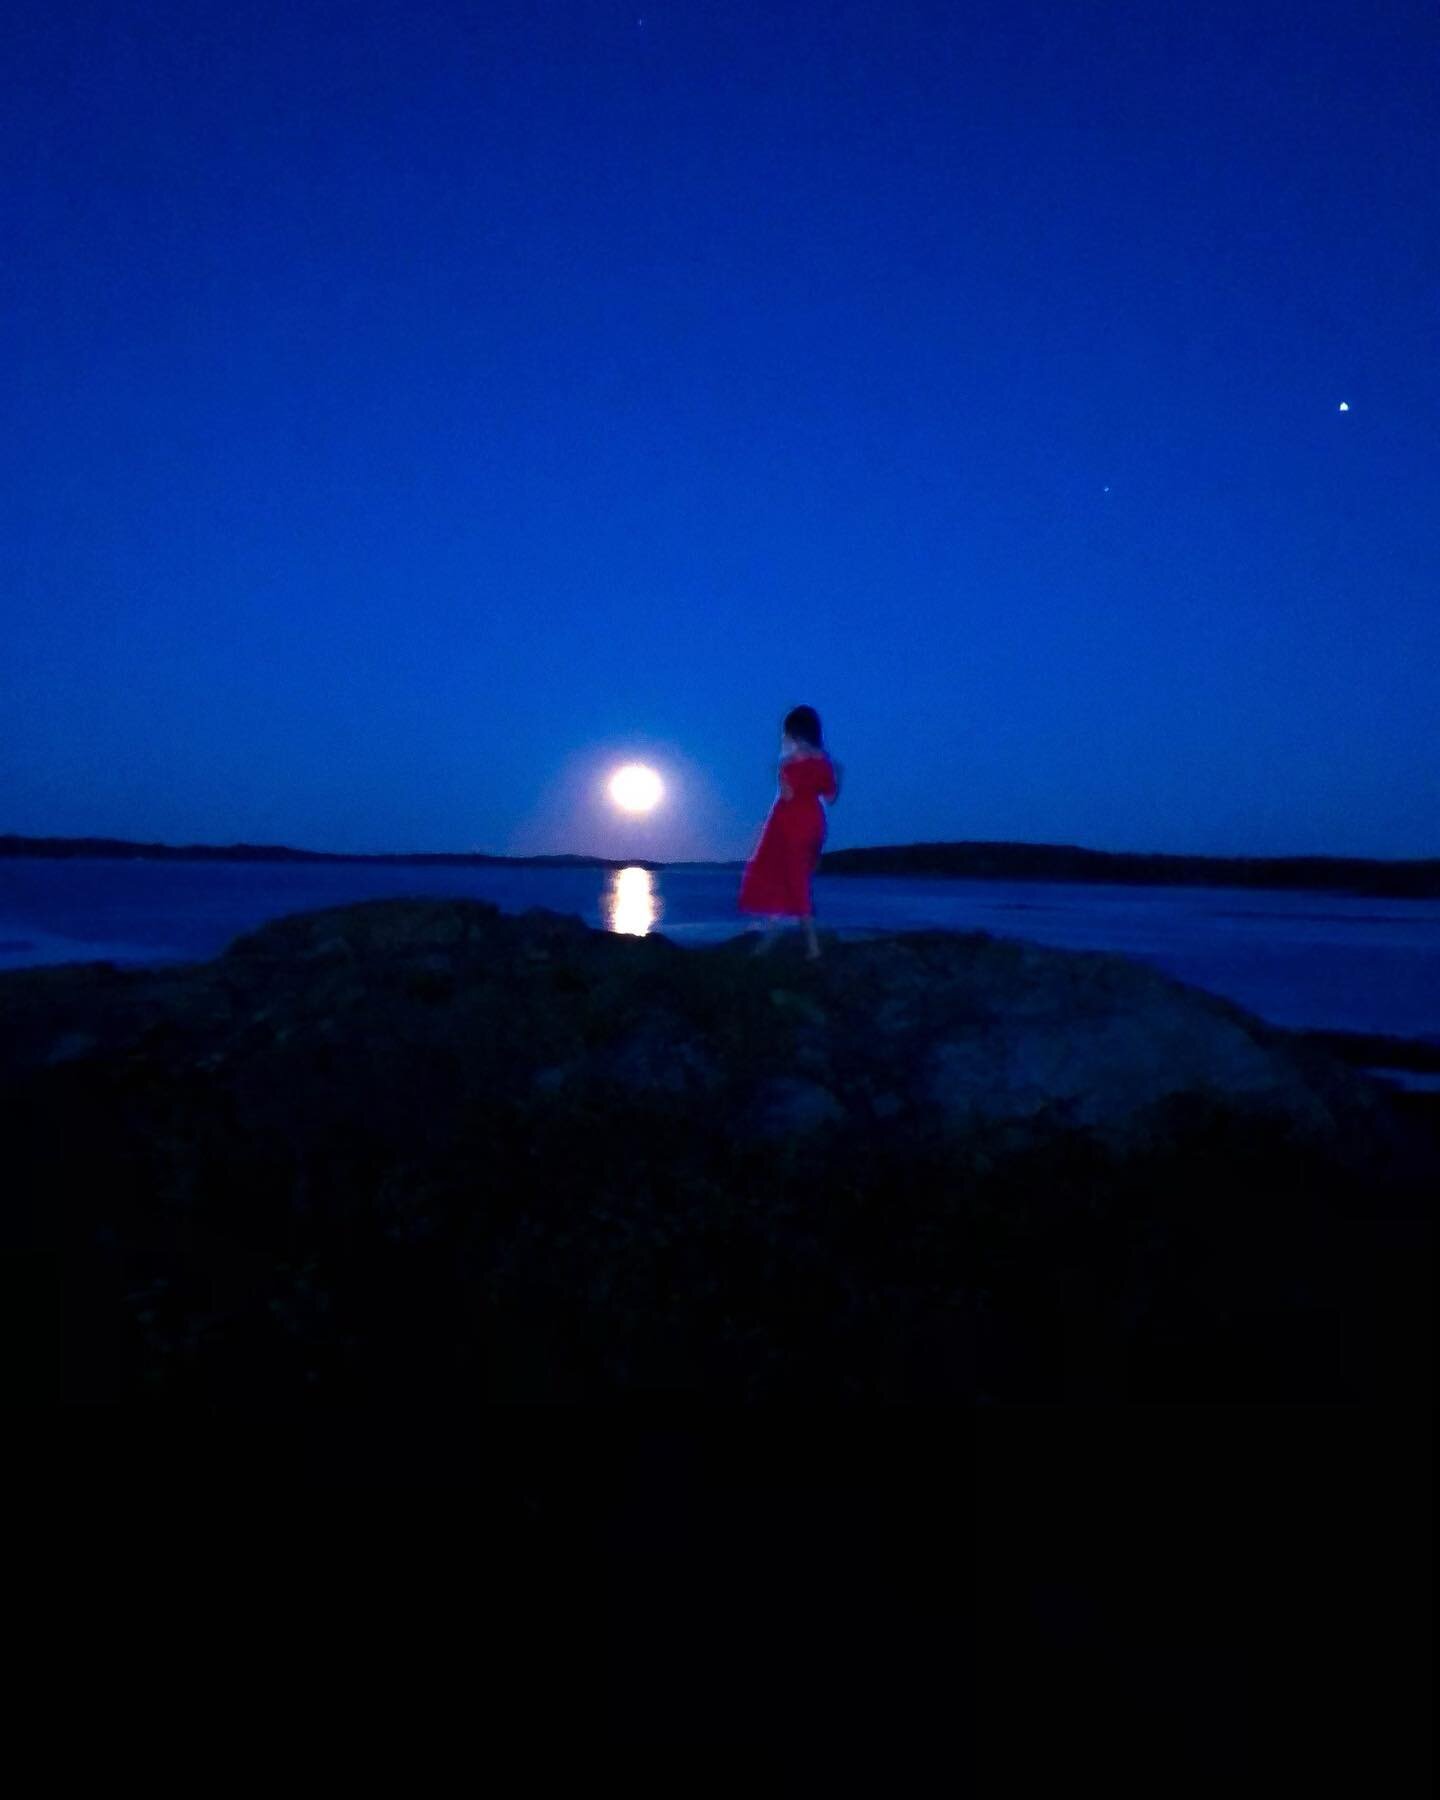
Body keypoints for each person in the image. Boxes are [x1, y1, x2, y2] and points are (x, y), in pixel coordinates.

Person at [738, 705, 842, 960]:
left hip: (788, 825)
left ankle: (812, 946)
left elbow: (787, 796)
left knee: (791, 880)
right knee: (791, 876)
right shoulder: (824, 763)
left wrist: (782, 772)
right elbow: (830, 797)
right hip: (813, 823)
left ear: (795, 734)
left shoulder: (788, 765)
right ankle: (773, 931)